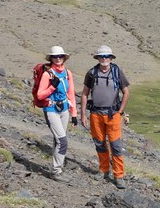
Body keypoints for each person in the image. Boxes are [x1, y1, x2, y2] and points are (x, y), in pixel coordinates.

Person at [80, 45, 130, 189]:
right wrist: (83, 114)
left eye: (107, 56)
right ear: (97, 58)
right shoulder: (91, 73)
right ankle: (103, 170)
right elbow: (84, 93)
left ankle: (119, 175)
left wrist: (120, 111)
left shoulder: (116, 71)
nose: (104, 59)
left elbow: (126, 92)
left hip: (112, 115)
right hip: (95, 114)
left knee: (116, 146)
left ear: (111, 58)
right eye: (102, 56)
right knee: (99, 143)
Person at [35, 45, 78, 184]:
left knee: (58, 140)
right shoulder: (48, 74)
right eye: (55, 57)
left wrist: (74, 114)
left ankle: (56, 168)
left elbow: (70, 93)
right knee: (63, 141)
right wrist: (52, 87)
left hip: (64, 109)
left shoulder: (67, 73)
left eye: (60, 56)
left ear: (64, 58)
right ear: (51, 58)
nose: (58, 59)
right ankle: (56, 171)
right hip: (51, 109)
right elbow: (40, 95)